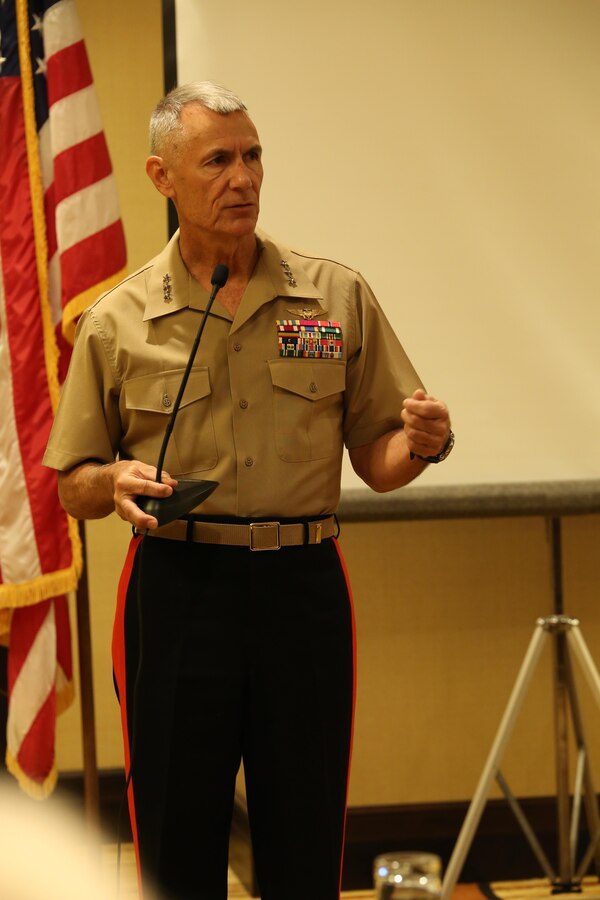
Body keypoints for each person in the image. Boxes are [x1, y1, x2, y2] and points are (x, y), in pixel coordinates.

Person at [44, 81, 453, 900]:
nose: (244, 178)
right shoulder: (118, 318)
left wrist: (423, 443)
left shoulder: (334, 297)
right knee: (175, 838)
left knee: (303, 839)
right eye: (219, 161)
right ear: (163, 177)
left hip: (301, 590)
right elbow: (72, 486)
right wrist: (110, 480)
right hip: (178, 589)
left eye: (254, 156)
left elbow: (379, 460)